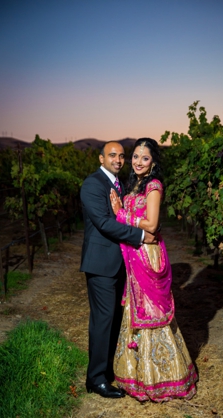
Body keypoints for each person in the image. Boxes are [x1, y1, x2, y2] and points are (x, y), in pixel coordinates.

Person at [110, 137, 198, 402]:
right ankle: (137, 373)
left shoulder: (153, 185)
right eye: (135, 156)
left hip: (147, 253)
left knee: (151, 310)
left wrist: (121, 213)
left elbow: (152, 223)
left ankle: (162, 376)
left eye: (144, 158)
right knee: (135, 308)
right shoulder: (134, 184)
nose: (138, 162)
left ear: (153, 162)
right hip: (134, 252)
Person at [80, 141, 156, 399]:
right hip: (101, 263)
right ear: (101, 158)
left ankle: (108, 371)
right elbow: (103, 223)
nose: (119, 159)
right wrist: (141, 236)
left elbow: (121, 214)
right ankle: (96, 379)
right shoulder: (93, 184)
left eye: (122, 155)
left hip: (119, 262)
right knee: (102, 321)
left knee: (113, 319)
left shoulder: (119, 184)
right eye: (112, 155)